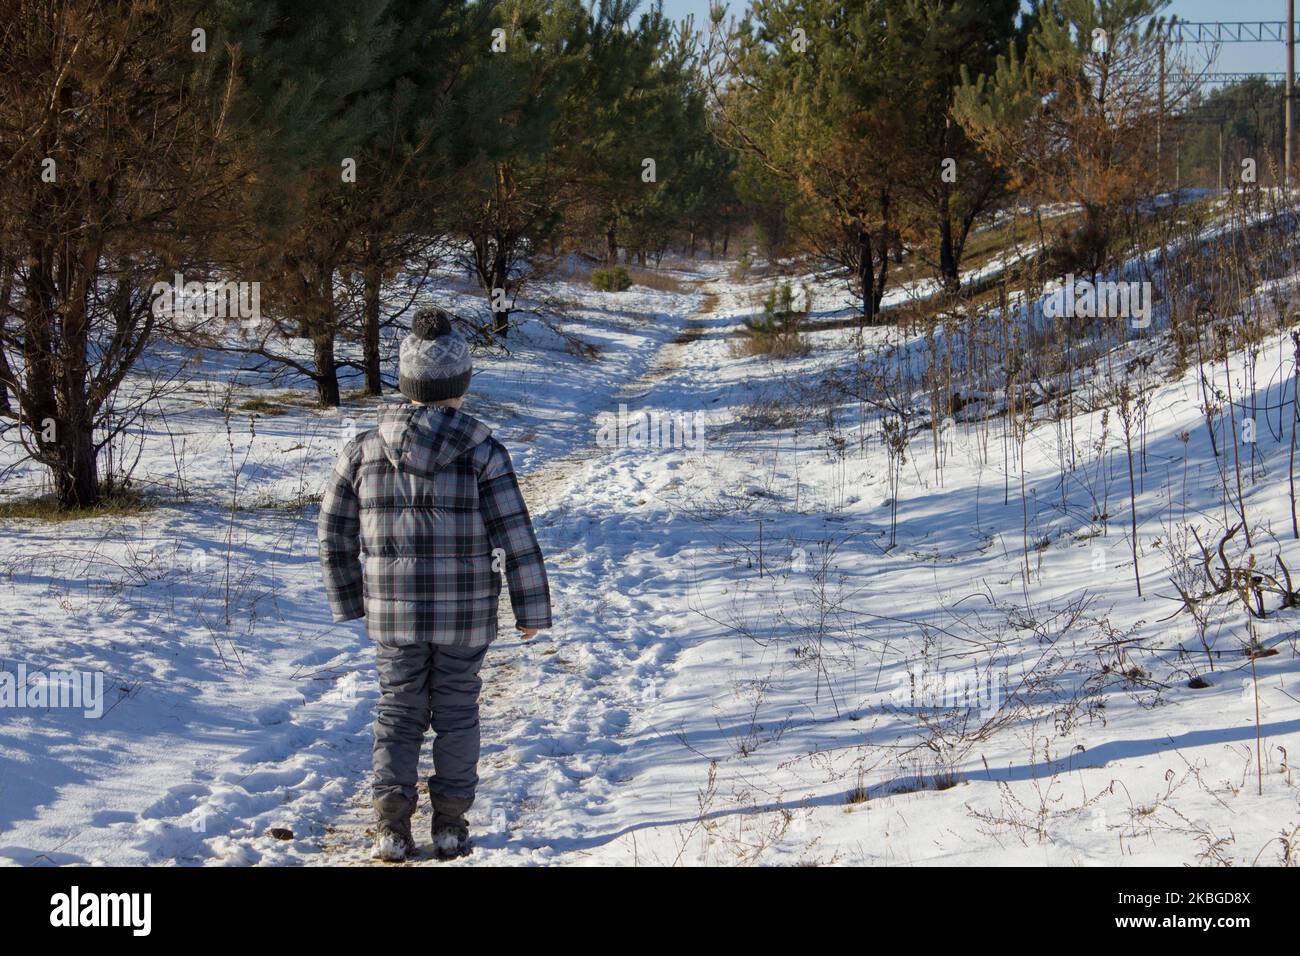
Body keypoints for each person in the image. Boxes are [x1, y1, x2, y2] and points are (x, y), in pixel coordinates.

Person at [318, 307, 552, 861]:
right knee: (456, 711)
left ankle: (391, 828)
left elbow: (333, 531)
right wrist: (530, 609)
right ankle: (449, 824)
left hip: (393, 617)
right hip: (464, 617)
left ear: (407, 382)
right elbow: (514, 534)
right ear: (461, 384)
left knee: (398, 711)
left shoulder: (363, 449)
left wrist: (352, 600)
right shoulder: (483, 451)